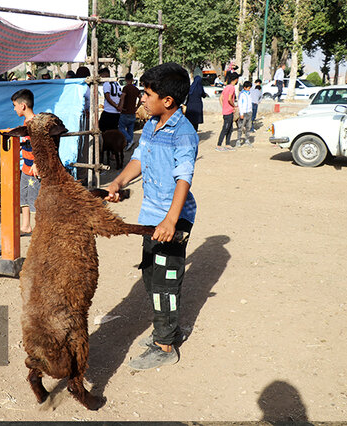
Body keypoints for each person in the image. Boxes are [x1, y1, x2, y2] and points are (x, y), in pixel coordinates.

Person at [105, 62, 197, 370]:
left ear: (167, 100)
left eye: (147, 93)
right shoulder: (152, 127)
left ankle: (166, 345)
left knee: (166, 282)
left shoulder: (183, 133)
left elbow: (184, 177)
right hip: (150, 216)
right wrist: (118, 182)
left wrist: (171, 220)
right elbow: (139, 159)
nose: (142, 99)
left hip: (173, 219)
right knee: (150, 275)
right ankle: (167, 328)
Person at [11, 89, 38, 235]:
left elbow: (41, 145)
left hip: (34, 169)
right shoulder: (25, 123)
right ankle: (26, 226)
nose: (14, 109)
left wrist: (37, 163)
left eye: (15, 105)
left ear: (22, 106)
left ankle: (40, 229)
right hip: (26, 168)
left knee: (35, 198)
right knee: (24, 196)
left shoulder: (35, 124)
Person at [118, 72, 142, 150]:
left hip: (125, 112)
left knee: (121, 128)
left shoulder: (125, 88)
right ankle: (129, 145)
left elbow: (123, 97)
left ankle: (130, 140)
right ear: (132, 80)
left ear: (125, 79)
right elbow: (141, 99)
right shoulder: (136, 89)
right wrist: (137, 107)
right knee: (130, 129)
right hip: (133, 112)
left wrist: (120, 106)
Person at [216, 72, 239, 151]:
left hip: (226, 110)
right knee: (226, 128)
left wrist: (224, 107)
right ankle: (219, 145)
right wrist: (233, 106)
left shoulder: (226, 87)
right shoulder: (231, 88)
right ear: (236, 79)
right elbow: (229, 99)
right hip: (229, 111)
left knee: (230, 128)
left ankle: (228, 144)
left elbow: (220, 98)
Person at [98, 68, 122, 132]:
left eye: (101, 75)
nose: (101, 77)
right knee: (114, 131)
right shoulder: (116, 83)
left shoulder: (106, 83)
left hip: (109, 111)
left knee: (103, 129)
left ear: (106, 74)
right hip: (117, 113)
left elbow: (108, 97)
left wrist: (116, 106)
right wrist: (119, 106)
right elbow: (121, 97)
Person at [237, 81, 253, 147]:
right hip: (243, 112)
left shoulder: (249, 94)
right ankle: (238, 140)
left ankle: (247, 139)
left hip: (249, 112)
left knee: (248, 127)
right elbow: (240, 104)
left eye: (250, 88)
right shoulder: (242, 94)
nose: (249, 89)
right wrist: (241, 113)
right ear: (244, 87)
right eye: (248, 88)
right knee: (241, 127)